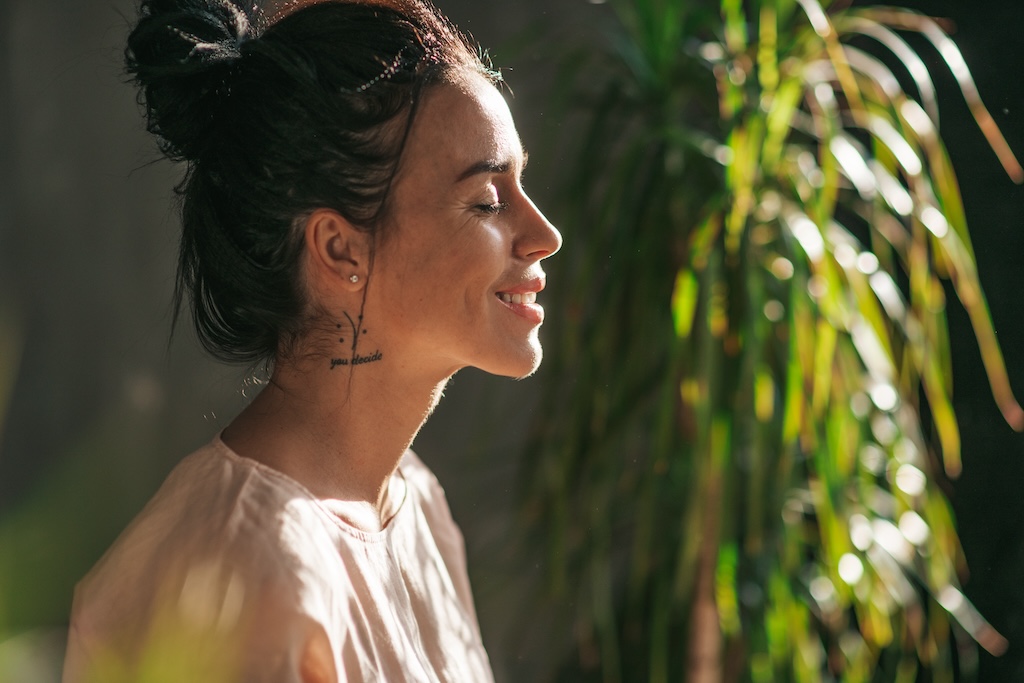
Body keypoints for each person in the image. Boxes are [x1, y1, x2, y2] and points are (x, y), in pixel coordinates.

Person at [62, 0, 561, 680]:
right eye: (486, 200)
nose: (545, 235)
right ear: (337, 248)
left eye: (520, 184)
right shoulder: (246, 573)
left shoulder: (413, 504)